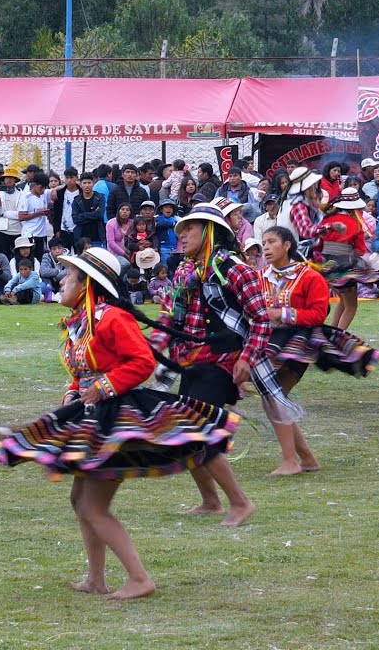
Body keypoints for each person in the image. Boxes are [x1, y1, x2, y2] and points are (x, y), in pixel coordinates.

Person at [0, 247, 242, 599]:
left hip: (112, 417)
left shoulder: (111, 317)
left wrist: (102, 387)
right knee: (80, 501)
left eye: (69, 276)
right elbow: (82, 372)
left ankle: (140, 578)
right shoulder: (81, 321)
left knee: (93, 506)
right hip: (91, 413)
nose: (61, 280)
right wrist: (74, 392)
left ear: (87, 284)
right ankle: (96, 579)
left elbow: (140, 362)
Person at [150, 201, 272, 527]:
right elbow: (168, 318)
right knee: (182, 432)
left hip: (223, 362)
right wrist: (151, 349)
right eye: (181, 229)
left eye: (190, 228)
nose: (183, 234)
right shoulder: (182, 271)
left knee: (197, 431)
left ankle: (241, 502)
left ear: (209, 231)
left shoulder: (236, 269)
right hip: (190, 362)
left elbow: (260, 320)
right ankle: (210, 501)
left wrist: (248, 358)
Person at [258, 227, 379, 476]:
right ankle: (306, 459)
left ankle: (291, 461)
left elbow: (318, 313)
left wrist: (282, 314)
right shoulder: (261, 276)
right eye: (264, 243)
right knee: (272, 396)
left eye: (272, 242)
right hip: (268, 341)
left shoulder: (309, 277)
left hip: (297, 343)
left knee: (274, 395)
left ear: (287, 246)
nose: (267, 247)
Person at [319, 190, 379, 328]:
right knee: (351, 306)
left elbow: (318, 244)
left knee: (342, 301)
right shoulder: (354, 223)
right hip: (344, 267)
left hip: (326, 266)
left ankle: (332, 332)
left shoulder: (327, 220)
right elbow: (360, 250)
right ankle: (337, 337)